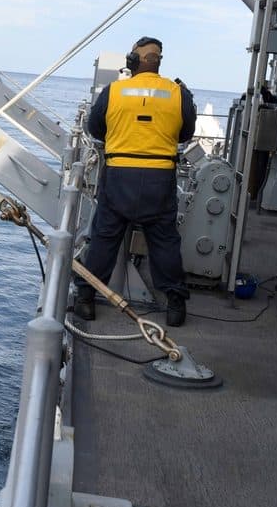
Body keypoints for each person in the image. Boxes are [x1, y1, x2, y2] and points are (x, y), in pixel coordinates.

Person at [74, 36, 196, 327]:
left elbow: (95, 128)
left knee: (104, 238)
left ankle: (86, 299)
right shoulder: (178, 94)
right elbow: (185, 134)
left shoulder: (114, 91)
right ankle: (175, 305)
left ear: (134, 60)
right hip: (159, 178)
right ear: (157, 61)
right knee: (164, 241)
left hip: (119, 176)